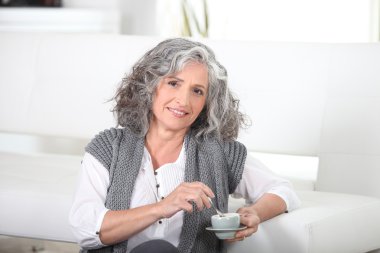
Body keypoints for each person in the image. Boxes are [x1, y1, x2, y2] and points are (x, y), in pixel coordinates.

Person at [69, 38, 301, 253]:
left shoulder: (219, 153)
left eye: (197, 91)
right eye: (173, 83)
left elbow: (282, 190)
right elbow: (85, 228)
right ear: (150, 86)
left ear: (207, 103)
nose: (183, 101)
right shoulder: (109, 148)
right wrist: (163, 207)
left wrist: (253, 213)